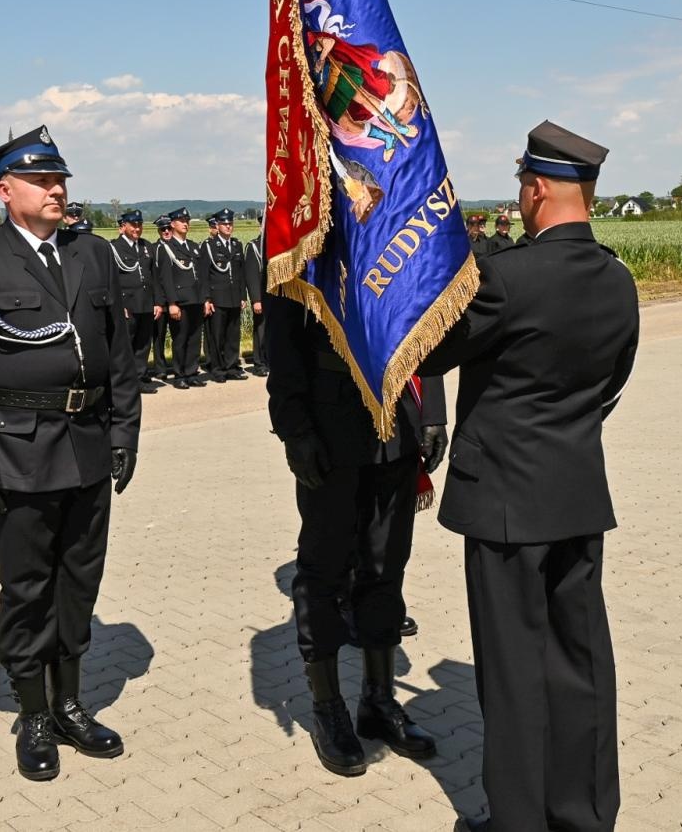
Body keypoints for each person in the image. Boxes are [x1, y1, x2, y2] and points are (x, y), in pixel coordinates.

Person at [419, 121, 638, 832]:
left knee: (513, 672)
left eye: (521, 185)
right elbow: (612, 383)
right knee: (580, 664)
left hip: (506, 504)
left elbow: (429, 353)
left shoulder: (507, 278)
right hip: (577, 494)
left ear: (537, 189)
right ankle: (584, 815)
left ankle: (518, 820)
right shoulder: (617, 279)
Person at [0, 125, 142, 783]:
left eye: (60, 180)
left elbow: (120, 355)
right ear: (5, 190)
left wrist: (124, 434)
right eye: (42, 181)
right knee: (26, 586)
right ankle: (34, 714)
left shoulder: (92, 253)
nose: (56, 190)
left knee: (79, 579)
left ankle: (70, 703)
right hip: (16, 450)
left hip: (87, 445)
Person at [266, 291, 449, 778]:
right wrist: (294, 428)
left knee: (386, 565)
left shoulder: (398, 237)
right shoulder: (304, 239)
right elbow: (282, 337)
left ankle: (379, 700)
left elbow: (423, 305)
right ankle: (328, 708)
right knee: (324, 569)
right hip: (329, 422)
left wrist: (432, 411)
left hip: (397, 417)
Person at [155, 208, 207, 388]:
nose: (185, 224)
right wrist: (172, 303)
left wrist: (206, 299)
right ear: (173, 224)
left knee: (194, 338)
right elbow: (166, 278)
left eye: (187, 220)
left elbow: (201, 275)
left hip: (196, 299)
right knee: (180, 339)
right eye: (181, 221)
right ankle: (179, 375)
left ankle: (191, 372)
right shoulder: (166, 247)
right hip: (180, 301)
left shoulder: (193, 246)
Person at [110, 209, 160, 395]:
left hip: (146, 303)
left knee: (143, 344)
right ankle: (124, 381)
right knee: (126, 345)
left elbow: (154, 277)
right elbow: (111, 280)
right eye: (133, 225)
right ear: (124, 227)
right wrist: (119, 304)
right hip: (128, 306)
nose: (137, 229)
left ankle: (139, 378)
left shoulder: (146, 246)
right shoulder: (114, 248)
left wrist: (157, 302)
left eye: (139, 225)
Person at [200, 209, 248, 382]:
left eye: (230, 223)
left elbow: (241, 273)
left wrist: (243, 296)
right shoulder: (209, 246)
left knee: (233, 335)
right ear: (218, 226)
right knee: (217, 336)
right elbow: (204, 274)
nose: (228, 227)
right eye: (225, 224)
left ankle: (231, 367)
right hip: (218, 298)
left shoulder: (236, 245)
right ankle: (218, 369)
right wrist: (207, 299)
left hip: (234, 297)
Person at [149, 215, 171, 382]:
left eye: (169, 228)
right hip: (162, 300)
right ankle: (160, 368)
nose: (166, 231)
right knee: (159, 337)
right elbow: (155, 278)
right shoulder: (154, 249)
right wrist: (158, 301)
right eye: (163, 229)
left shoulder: (178, 247)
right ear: (158, 231)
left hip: (177, 300)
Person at [244, 230, 268, 377]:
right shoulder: (254, 246)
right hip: (261, 296)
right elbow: (251, 274)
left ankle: (271, 360)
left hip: (274, 296)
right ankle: (260, 364)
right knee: (261, 330)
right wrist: (256, 299)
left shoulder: (275, 244)